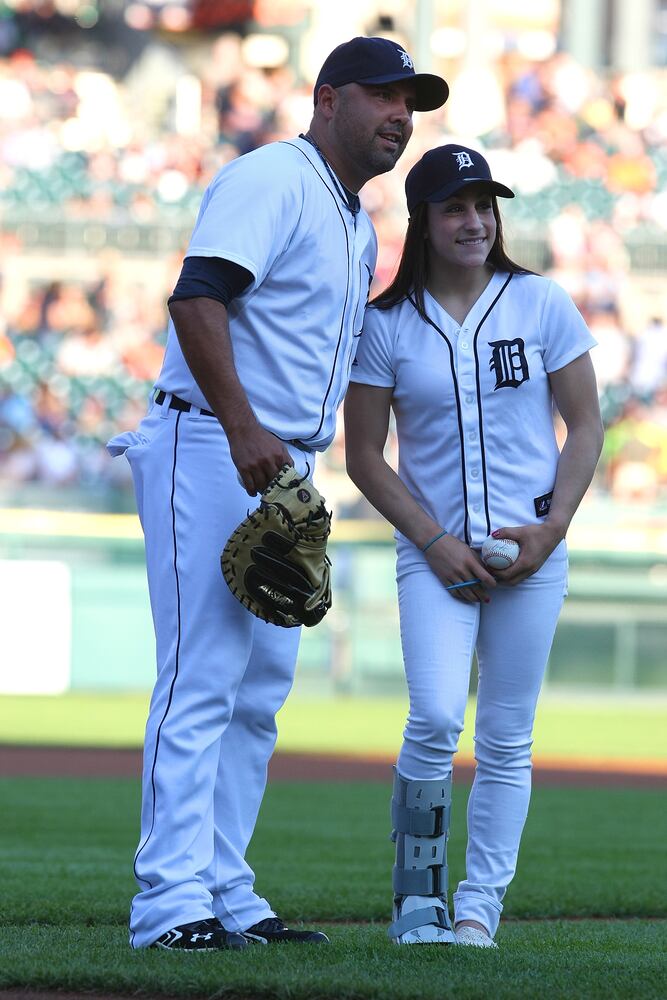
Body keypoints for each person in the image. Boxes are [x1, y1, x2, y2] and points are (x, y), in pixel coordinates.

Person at [107, 38, 448, 952]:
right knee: (203, 677)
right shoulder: (274, 177)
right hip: (212, 443)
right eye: (382, 95)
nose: (399, 115)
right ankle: (168, 903)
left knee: (258, 692)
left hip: (280, 461)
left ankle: (226, 889)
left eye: (410, 102)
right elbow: (196, 299)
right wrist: (242, 428)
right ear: (327, 98)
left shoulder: (356, 220)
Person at [344, 144, 603, 948]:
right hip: (434, 556)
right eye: (454, 207)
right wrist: (430, 541)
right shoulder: (384, 323)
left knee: (505, 738)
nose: (474, 221)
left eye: (484, 206)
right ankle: (416, 900)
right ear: (422, 221)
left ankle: (477, 907)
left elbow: (586, 426)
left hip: (531, 552)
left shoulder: (540, 301)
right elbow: (363, 458)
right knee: (431, 717)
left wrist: (552, 529)